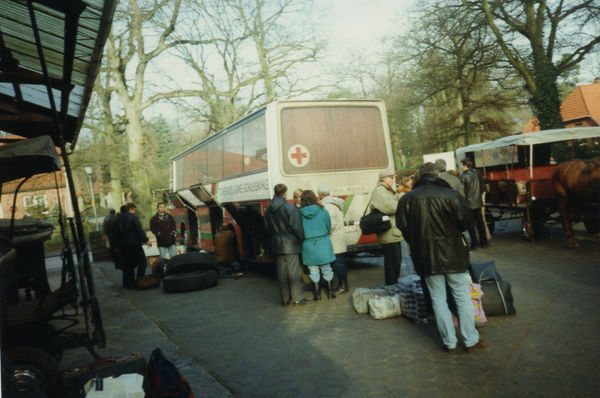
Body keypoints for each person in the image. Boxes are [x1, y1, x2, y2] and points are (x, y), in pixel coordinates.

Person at [396, 162, 486, 353]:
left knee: (438, 299)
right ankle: (470, 339)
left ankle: (449, 342)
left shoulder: (407, 199)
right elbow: (465, 222)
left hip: (426, 256)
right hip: (453, 253)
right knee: (462, 296)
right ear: (437, 175)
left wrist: (417, 242)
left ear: (420, 176)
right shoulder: (451, 195)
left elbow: (403, 227)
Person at [264, 184, 310, 306]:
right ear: (284, 193)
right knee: (294, 272)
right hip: (291, 244)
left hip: (276, 244)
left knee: (281, 273)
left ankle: (285, 299)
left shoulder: (268, 209)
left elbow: (267, 228)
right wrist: (301, 239)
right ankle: (297, 298)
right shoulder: (289, 208)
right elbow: (297, 227)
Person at [300, 190, 336, 300]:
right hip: (323, 241)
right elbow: (328, 225)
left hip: (308, 244)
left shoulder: (299, 213)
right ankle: (330, 293)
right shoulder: (322, 210)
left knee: (313, 270)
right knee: (326, 268)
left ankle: (317, 295)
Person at [370, 171, 404, 285]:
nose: (393, 180)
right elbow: (391, 207)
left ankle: (393, 284)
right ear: (384, 179)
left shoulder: (385, 190)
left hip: (392, 231)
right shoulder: (380, 191)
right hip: (389, 231)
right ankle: (391, 286)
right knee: (392, 262)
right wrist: (401, 201)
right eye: (391, 178)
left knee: (395, 261)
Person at [318, 184, 348, 294]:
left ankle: (343, 286)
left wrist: (323, 233)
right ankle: (342, 284)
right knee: (338, 262)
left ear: (320, 195)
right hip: (338, 238)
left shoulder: (328, 206)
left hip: (334, 239)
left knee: (338, 263)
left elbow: (330, 224)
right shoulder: (334, 203)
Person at [113, 203, 151, 289]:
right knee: (142, 262)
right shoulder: (133, 217)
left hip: (122, 245)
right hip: (134, 244)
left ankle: (127, 284)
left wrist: (116, 246)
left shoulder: (117, 219)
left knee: (127, 265)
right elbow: (139, 230)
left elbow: (115, 234)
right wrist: (146, 240)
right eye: (134, 210)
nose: (135, 212)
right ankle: (139, 280)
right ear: (131, 209)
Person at [460, 158, 488, 249]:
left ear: (465, 165)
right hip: (478, 202)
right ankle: (484, 242)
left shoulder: (463, 176)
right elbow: (483, 188)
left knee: (471, 225)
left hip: (468, 204)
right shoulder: (477, 174)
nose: (461, 167)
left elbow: (462, 192)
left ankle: (474, 243)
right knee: (481, 223)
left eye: (462, 165)